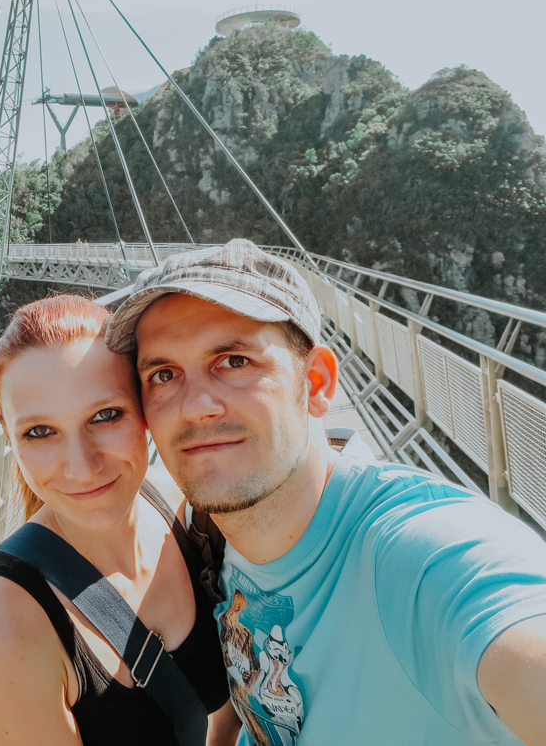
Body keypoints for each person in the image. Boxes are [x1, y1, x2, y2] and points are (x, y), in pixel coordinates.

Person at [105, 239, 546, 746]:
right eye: (163, 375)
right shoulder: (207, 538)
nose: (195, 406)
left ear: (316, 383)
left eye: (234, 361)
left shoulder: (423, 559)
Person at [0, 294, 235, 745]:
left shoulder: (180, 511)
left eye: (106, 415)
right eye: (39, 432)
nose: (81, 466)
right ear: (10, 437)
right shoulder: (4, 622)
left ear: (146, 410)